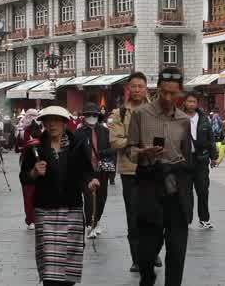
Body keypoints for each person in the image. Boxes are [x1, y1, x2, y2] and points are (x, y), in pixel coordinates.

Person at [125, 67, 193, 286]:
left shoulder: (183, 120)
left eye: (173, 93)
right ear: (157, 89)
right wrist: (143, 153)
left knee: (177, 245)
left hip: (175, 184)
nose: (167, 97)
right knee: (147, 246)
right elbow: (129, 150)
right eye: (163, 92)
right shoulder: (141, 114)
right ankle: (147, 276)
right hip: (149, 182)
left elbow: (185, 155)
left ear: (180, 93)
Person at [20, 106, 98, 286]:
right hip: (45, 210)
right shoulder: (35, 147)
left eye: (57, 120)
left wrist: (91, 180)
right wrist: (34, 172)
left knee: (69, 265)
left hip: (72, 210)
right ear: (44, 123)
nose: (52, 124)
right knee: (50, 265)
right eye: (48, 120)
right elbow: (24, 177)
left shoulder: (77, 143)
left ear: (65, 123)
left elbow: (86, 170)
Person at [108, 72, 149, 273]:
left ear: (146, 87)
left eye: (140, 86)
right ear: (129, 89)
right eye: (134, 86)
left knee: (153, 213)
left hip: (153, 168)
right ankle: (137, 258)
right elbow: (115, 141)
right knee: (133, 215)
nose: (137, 90)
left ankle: (152, 251)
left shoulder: (155, 110)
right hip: (130, 170)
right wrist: (137, 143)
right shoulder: (120, 113)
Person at [74, 102, 113, 238]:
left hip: (102, 170)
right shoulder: (78, 133)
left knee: (101, 198)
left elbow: (112, 149)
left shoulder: (105, 131)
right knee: (89, 198)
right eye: (88, 114)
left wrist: (103, 153)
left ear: (98, 116)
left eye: (94, 114)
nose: (91, 117)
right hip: (85, 171)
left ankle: (96, 220)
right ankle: (90, 225)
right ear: (84, 116)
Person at [180, 92, 216, 229]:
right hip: (184, 159)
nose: (191, 104)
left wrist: (213, 157)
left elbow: (211, 138)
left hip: (201, 159)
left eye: (193, 102)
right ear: (185, 102)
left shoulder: (204, 119)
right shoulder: (179, 117)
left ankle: (204, 219)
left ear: (197, 103)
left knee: (202, 190)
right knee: (186, 192)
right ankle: (187, 219)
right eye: (188, 101)